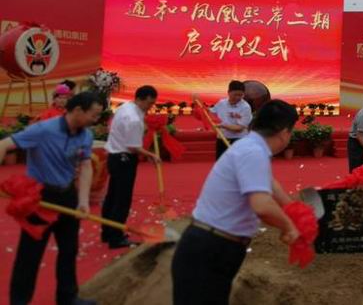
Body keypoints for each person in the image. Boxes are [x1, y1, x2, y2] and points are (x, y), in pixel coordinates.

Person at [171, 99, 300, 305]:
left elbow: (270, 184)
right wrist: (289, 227)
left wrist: (294, 210)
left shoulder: (251, 146)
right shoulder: (253, 152)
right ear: (285, 132)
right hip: (210, 248)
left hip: (213, 245)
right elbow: (262, 206)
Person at [0, 92, 103, 305]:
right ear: (78, 110)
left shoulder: (86, 135)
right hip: (40, 199)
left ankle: (67, 297)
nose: (96, 120)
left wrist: (83, 200)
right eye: (94, 114)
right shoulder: (43, 130)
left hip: (67, 195)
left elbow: (85, 166)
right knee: (30, 253)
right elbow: (3, 145)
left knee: (69, 249)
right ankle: (19, 302)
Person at [101, 85, 160, 249]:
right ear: (140, 99)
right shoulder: (133, 119)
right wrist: (152, 155)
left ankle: (107, 232)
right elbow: (133, 147)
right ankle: (116, 237)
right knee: (122, 200)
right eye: (149, 103)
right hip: (124, 159)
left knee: (112, 196)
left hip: (114, 157)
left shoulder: (125, 107)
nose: (150, 107)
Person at [211, 80, 253, 160]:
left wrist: (223, 126)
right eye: (235, 95)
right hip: (222, 138)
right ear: (229, 92)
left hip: (239, 139)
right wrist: (200, 109)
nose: (238, 97)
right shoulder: (221, 103)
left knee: (238, 164)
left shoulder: (245, 107)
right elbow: (210, 113)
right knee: (221, 162)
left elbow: (239, 128)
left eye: (240, 95)